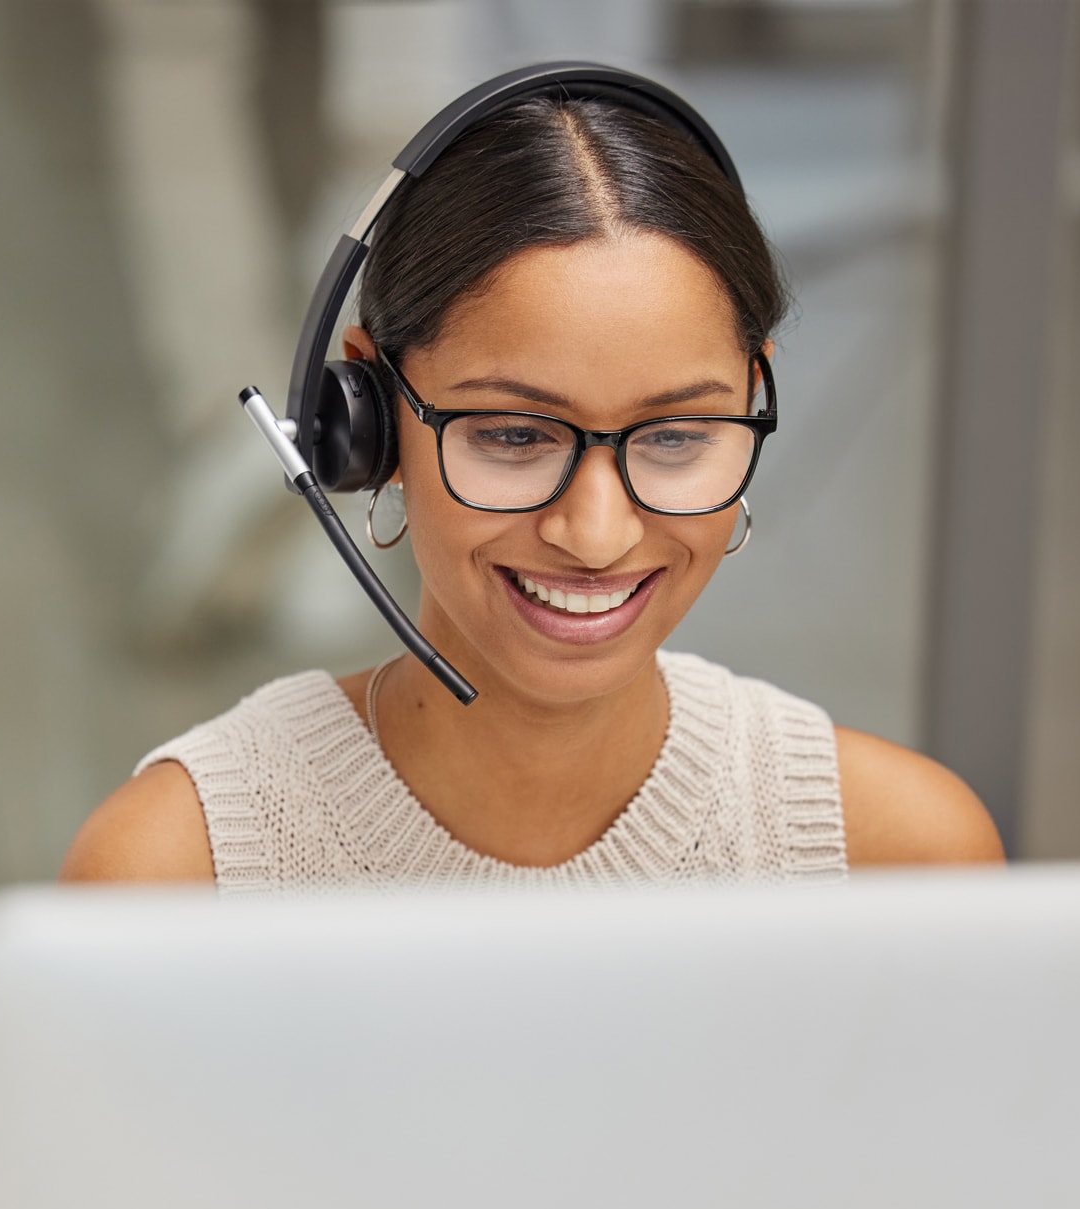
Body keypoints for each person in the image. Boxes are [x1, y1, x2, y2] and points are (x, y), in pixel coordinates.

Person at [61, 86, 1003, 888]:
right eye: (514, 435)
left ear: (755, 397)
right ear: (368, 417)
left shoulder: (897, 856)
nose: (595, 534)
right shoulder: (179, 872)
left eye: (675, 435)